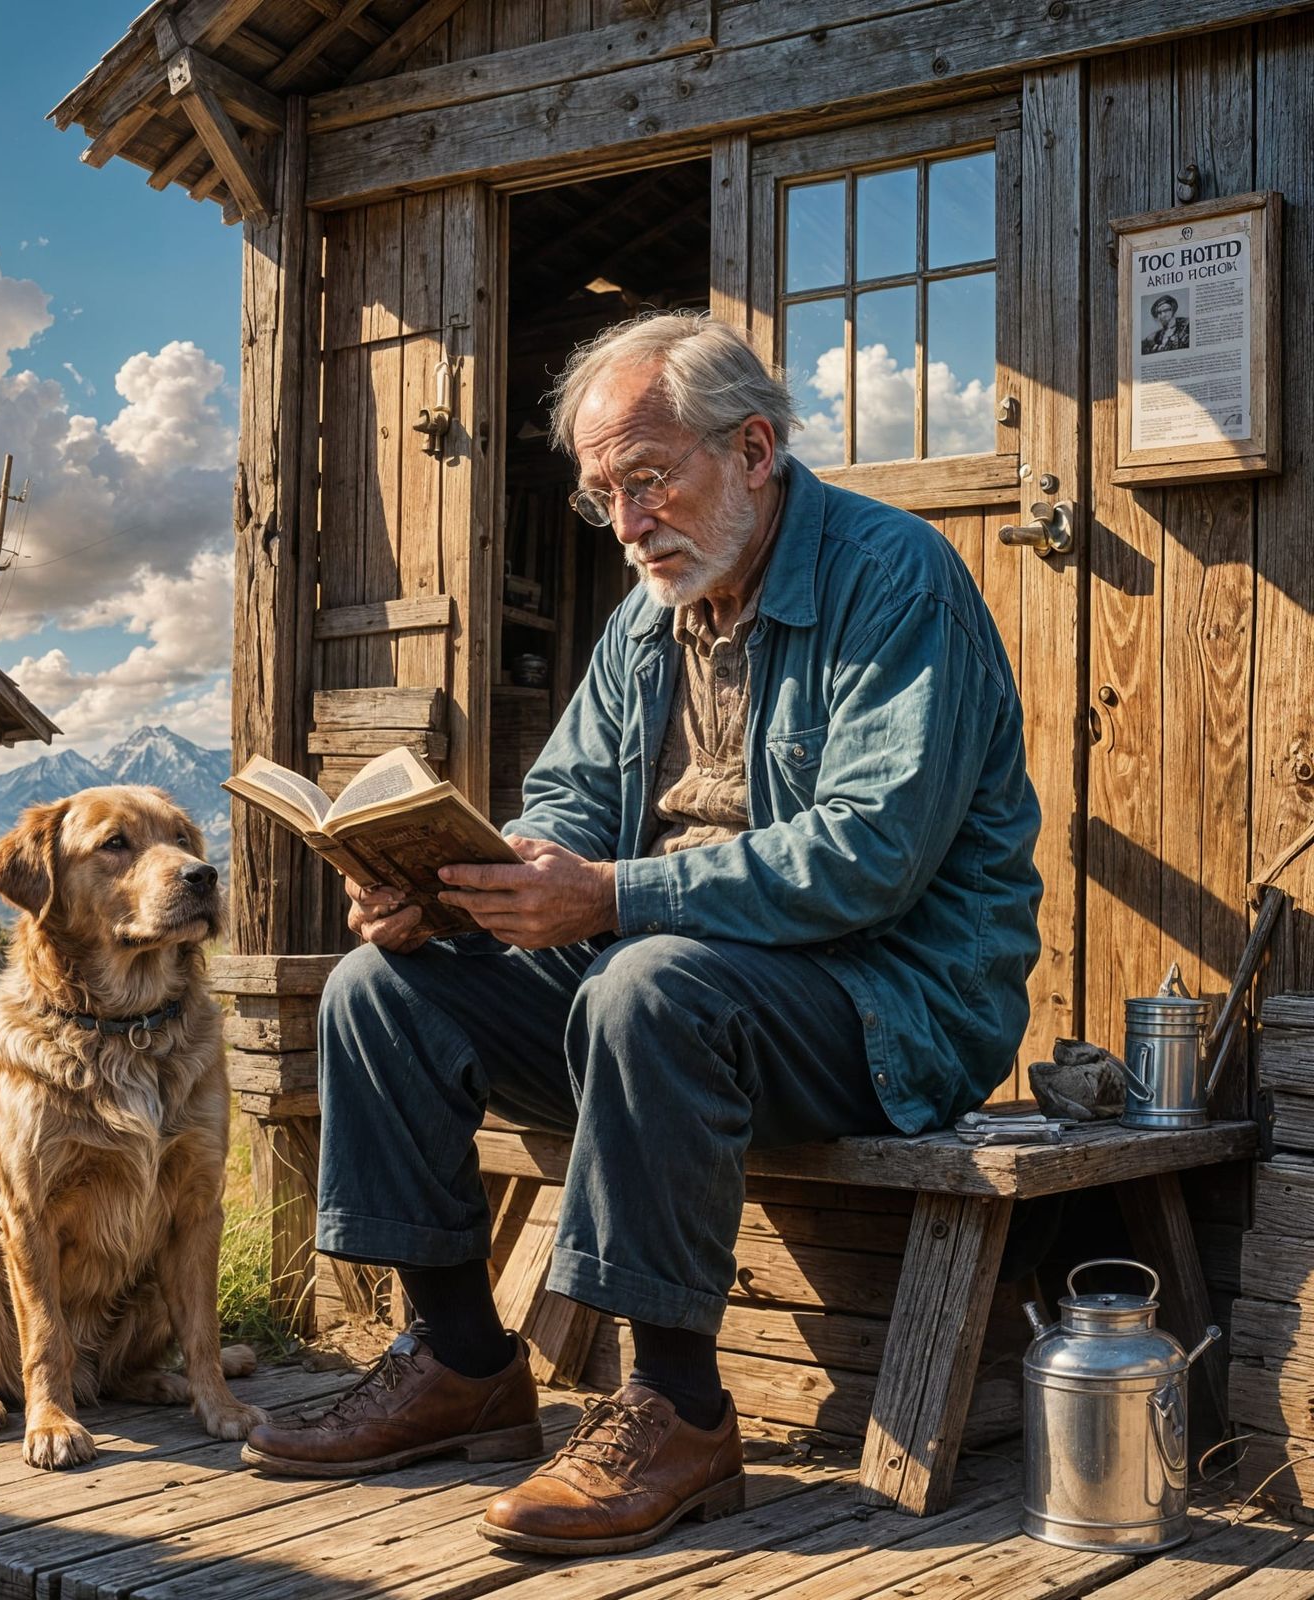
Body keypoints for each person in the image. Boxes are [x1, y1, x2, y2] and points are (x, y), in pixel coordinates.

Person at [242, 312, 1043, 1556]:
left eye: (646, 479)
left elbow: (871, 857)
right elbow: (564, 805)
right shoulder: (646, 618)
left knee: (648, 984)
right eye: (602, 494)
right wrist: (448, 884)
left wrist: (613, 896)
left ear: (756, 449)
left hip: (886, 1004)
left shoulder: (897, 578)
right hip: (676, 988)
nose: (625, 522)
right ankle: (459, 1361)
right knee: (381, 986)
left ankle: (676, 1411)